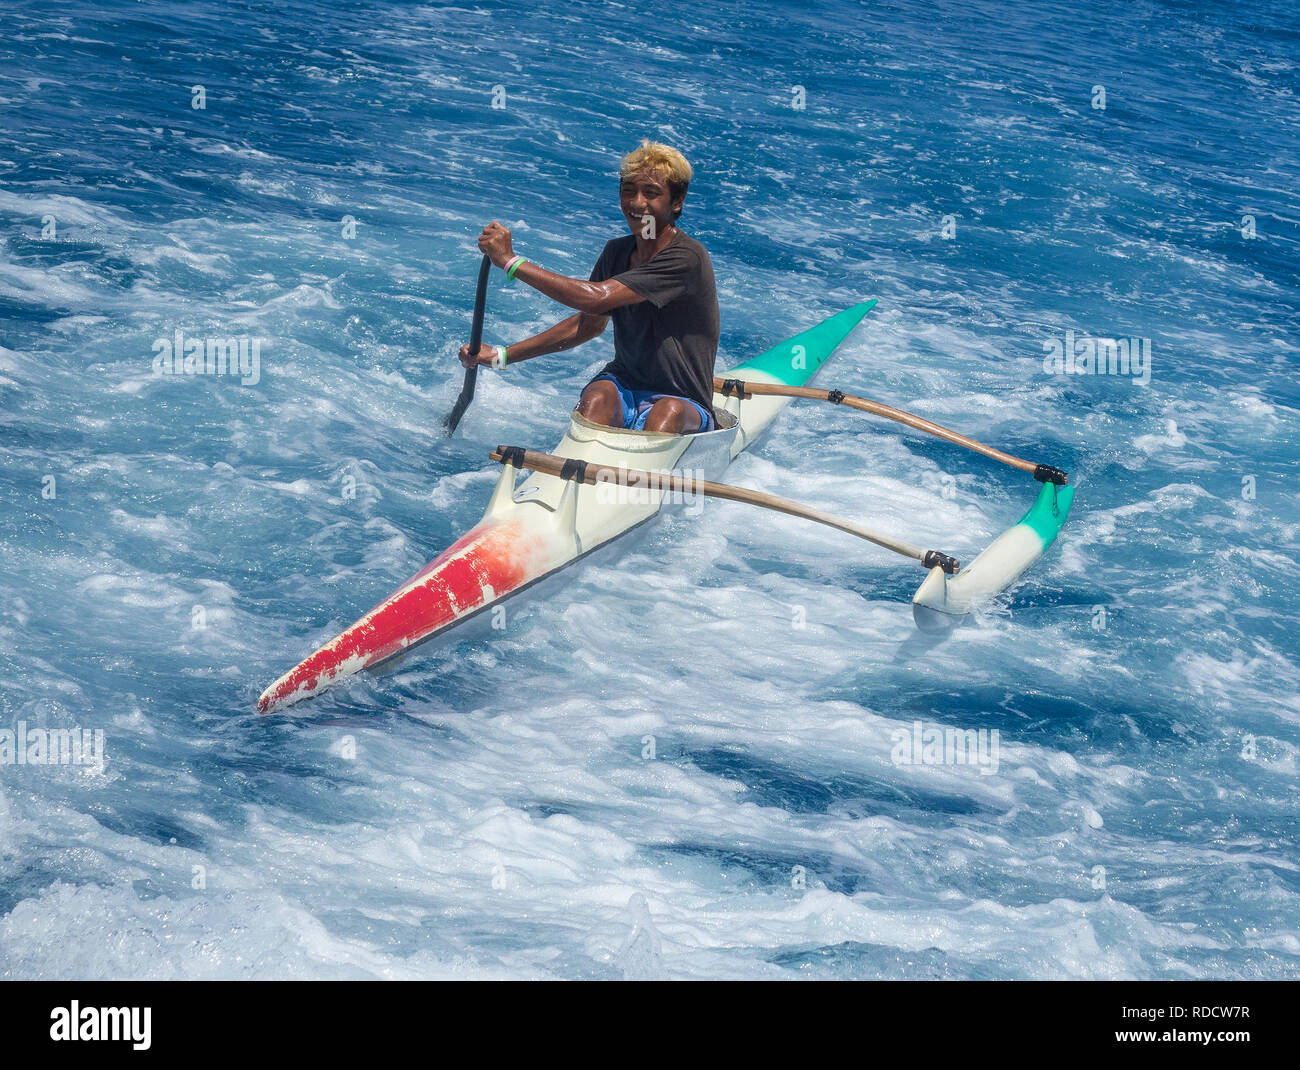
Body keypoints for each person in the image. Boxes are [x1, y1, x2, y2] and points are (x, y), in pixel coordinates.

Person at [459, 140, 720, 434]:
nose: (636, 203)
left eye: (651, 193)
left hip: (682, 399)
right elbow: (588, 324)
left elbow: (596, 299)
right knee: (595, 399)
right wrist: (501, 356)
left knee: (666, 412)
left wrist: (510, 262)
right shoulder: (617, 253)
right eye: (628, 190)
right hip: (625, 385)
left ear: (677, 201)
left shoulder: (688, 257)